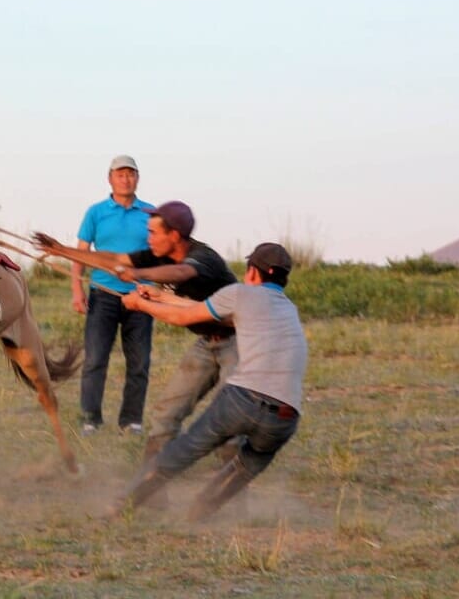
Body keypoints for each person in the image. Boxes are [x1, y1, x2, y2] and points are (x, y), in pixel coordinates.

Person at [107, 243, 307, 521]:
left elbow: (185, 317)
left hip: (243, 401)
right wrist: (158, 295)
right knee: (243, 469)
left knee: (182, 452)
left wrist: (140, 304)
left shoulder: (240, 294)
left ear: (251, 272)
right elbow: (204, 308)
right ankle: (197, 517)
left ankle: (122, 507)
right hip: (286, 416)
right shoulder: (288, 309)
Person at [36, 201, 237, 464]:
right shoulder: (158, 254)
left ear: (174, 235)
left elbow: (181, 272)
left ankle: (233, 481)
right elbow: (114, 260)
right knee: (167, 411)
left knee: (229, 415)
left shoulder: (202, 258)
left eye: (154, 233)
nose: (148, 238)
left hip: (239, 342)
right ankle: (153, 477)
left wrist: (137, 274)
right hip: (205, 343)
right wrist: (63, 251)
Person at [68, 155, 155, 435]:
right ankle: (90, 419)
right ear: (110, 179)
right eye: (120, 174)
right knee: (95, 359)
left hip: (140, 297)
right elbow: (80, 253)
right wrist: (77, 291)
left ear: (137, 179)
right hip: (103, 294)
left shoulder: (151, 213)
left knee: (139, 362)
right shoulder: (95, 212)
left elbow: (161, 255)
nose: (125, 179)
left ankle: (131, 421)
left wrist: (157, 287)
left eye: (130, 174)